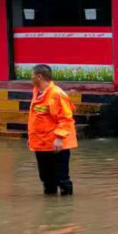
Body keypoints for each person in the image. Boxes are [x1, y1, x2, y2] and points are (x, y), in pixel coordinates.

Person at [28, 64, 78, 196]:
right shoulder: (37, 92)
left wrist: (59, 138)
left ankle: (65, 210)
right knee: (46, 178)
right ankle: (50, 210)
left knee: (62, 179)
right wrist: (32, 138)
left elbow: (66, 119)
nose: (31, 79)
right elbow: (37, 118)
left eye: (32, 76)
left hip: (57, 145)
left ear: (39, 77)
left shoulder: (57, 94)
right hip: (41, 143)